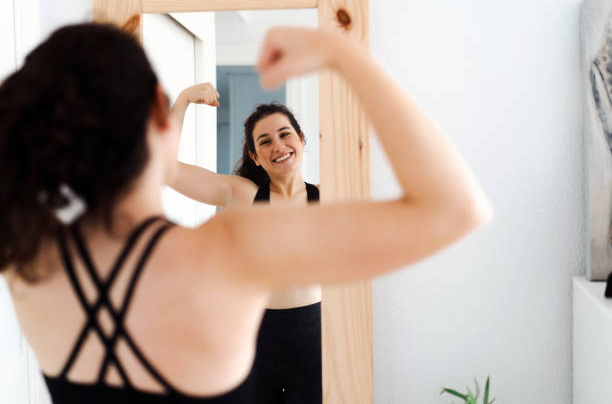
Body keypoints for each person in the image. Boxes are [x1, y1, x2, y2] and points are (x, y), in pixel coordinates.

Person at [0, 23, 492, 404]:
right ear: (158, 110)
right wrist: (343, 53)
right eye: (264, 140)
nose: (277, 145)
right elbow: (453, 209)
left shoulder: (25, 260)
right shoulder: (237, 244)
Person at [169, 92, 322, 403]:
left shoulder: (328, 197)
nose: (277, 146)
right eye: (264, 141)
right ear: (254, 156)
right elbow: (164, 168)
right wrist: (184, 99)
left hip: (315, 336)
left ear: (302, 139)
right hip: (256, 337)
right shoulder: (245, 196)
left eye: (285, 134)